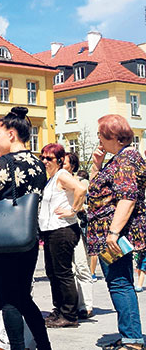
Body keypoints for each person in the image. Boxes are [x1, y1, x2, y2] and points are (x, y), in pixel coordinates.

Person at [0, 107, 51, 350]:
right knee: (23, 296)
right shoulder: (38, 162)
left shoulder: (5, 162)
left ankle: (17, 347)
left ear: (11, 135)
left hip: (4, 238)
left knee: (8, 298)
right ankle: (44, 345)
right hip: (28, 236)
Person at [82, 114, 146, 350]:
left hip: (115, 234)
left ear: (115, 137)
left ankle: (132, 340)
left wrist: (113, 233)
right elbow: (98, 191)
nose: (98, 139)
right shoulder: (120, 158)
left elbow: (127, 198)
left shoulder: (125, 160)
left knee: (119, 283)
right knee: (122, 282)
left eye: (100, 134)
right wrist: (97, 165)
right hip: (112, 232)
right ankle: (130, 335)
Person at [36, 143, 86, 328]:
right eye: (43, 157)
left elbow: (81, 189)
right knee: (52, 272)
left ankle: (69, 314)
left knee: (63, 273)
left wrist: (73, 210)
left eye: (49, 158)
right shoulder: (52, 178)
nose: (45, 161)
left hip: (63, 229)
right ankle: (59, 310)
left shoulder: (62, 175)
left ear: (59, 160)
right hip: (51, 230)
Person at [63, 152, 95, 320]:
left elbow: (89, 205)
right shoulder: (56, 181)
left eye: (65, 163)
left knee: (82, 266)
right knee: (70, 269)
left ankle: (86, 305)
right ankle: (73, 304)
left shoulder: (81, 182)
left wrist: (77, 209)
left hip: (77, 227)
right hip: (62, 230)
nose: (62, 165)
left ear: (73, 166)